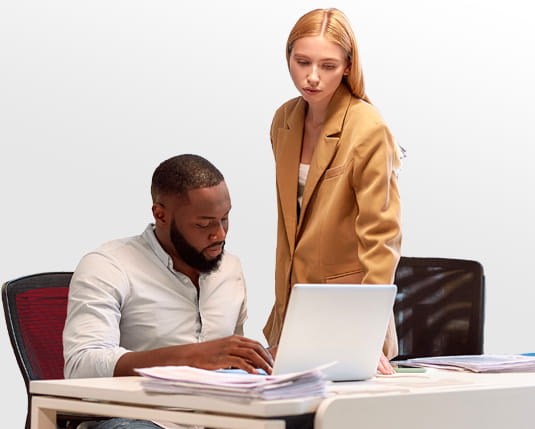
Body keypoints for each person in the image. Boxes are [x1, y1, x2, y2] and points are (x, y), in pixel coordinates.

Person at [63, 154, 274, 429]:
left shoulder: (230, 269)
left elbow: (228, 365)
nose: (220, 234)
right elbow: (81, 366)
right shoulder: (109, 265)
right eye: (203, 224)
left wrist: (267, 360)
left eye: (225, 219)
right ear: (160, 214)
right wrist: (192, 357)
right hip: (143, 419)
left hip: (220, 418)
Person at [263, 8, 403, 375]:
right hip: (293, 308)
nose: (311, 77)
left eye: (327, 65)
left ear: (347, 66)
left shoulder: (368, 127)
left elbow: (381, 238)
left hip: (349, 316)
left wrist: (366, 335)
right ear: (288, 57)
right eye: (302, 61)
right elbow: (291, 223)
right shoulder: (284, 120)